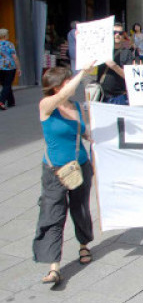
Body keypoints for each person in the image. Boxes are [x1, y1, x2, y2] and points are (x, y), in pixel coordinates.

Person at [35, 60, 97, 284]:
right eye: (66, 82)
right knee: (53, 214)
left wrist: (88, 135)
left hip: (80, 166)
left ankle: (83, 245)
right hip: (55, 171)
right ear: (55, 87)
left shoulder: (77, 107)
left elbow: (80, 131)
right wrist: (83, 74)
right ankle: (54, 266)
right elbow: (64, 95)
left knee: (80, 209)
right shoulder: (47, 106)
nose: (71, 85)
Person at [98, 24, 133, 105]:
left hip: (119, 96)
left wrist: (114, 66)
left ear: (123, 35)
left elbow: (128, 76)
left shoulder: (127, 52)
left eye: (120, 33)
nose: (117, 35)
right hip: (102, 95)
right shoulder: (102, 51)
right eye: (114, 32)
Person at [0, 28, 22, 110]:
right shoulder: (9, 44)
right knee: (7, 84)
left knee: (5, 84)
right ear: (5, 36)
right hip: (9, 67)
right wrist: (18, 68)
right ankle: (1, 101)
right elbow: (14, 57)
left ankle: (11, 101)